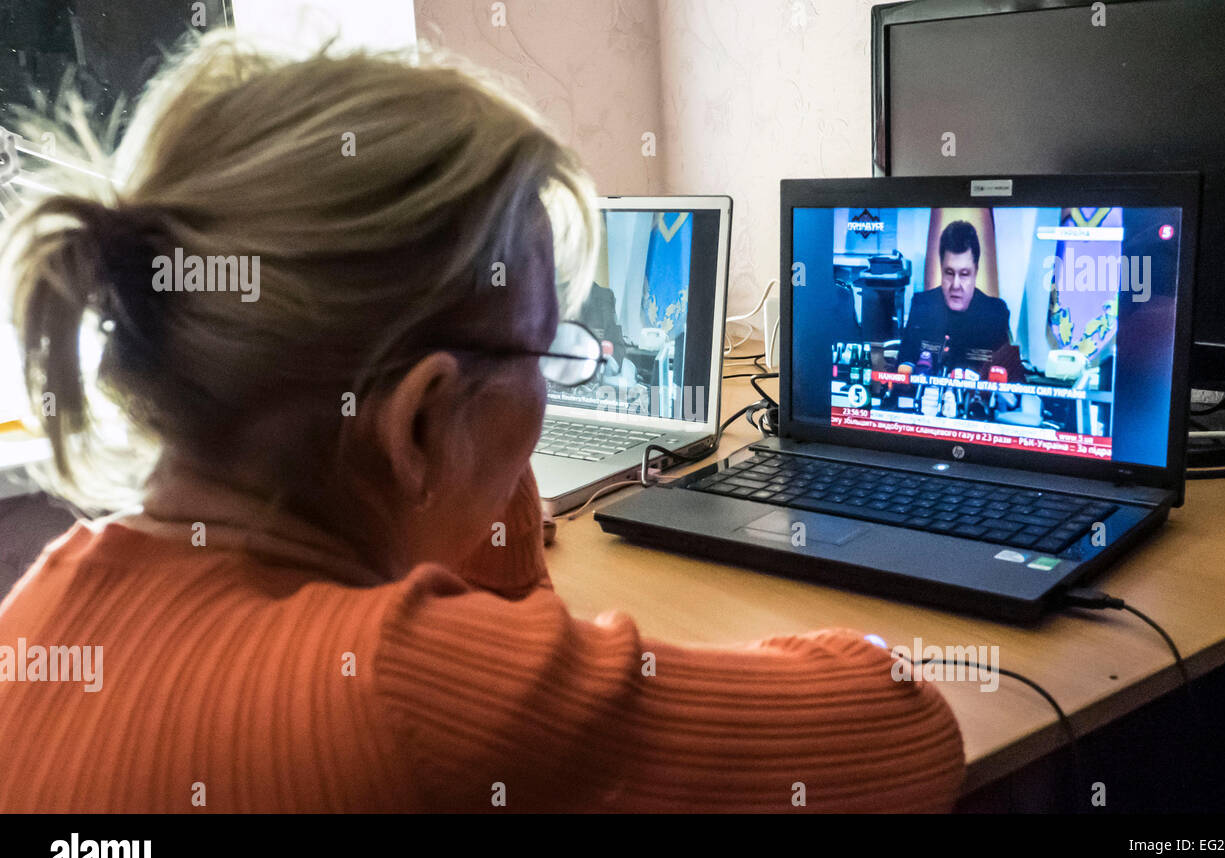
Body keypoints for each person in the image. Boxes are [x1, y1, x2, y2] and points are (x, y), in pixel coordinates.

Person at [0, 31, 964, 813]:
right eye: (546, 352)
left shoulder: (36, 616)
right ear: (418, 419)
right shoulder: (402, 686)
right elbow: (905, 728)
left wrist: (485, 409)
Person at [897, 220, 1013, 379]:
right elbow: (903, 366)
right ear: (941, 269)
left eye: (964, 274)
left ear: (976, 272)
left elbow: (1009, 378)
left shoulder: (995, 312)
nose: (956, 285)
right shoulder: (922, 306)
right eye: (949, 273)